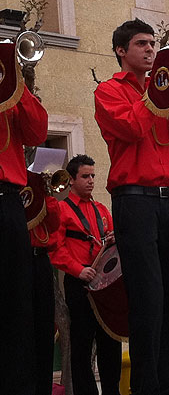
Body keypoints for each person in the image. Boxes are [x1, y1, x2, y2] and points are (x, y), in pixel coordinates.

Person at [94, 18, 169, 395]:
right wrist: (156, 94)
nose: (151, 50)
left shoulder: (166, 89)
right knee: (147, 296)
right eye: (142, 44)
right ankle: (148, 387)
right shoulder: (109, 90)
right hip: (134, 200)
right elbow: (133, 129)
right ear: (122, 50)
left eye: (153, 44)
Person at [49, 154, 122, 395]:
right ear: (71, 180)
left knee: (110, 343)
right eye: (85, 176)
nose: (91, 180)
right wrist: (79, 270)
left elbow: (112, 243)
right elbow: (56, 250)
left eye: (92, 176)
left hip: (103, 285)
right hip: (79, 284)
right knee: (82, 345)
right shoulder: (61, 209)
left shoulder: (101, 209)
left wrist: (113, 239)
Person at [0, 63, 48, 394]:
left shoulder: (11, 89)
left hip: (6, 200)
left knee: (15, 301)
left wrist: (16, 86)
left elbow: (37, 133)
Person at [30, 194, 61, 395]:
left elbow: (53, 222)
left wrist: (43, 191)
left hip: (39, 259)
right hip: (17, 256)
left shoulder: (36, 190)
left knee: (44, 329)